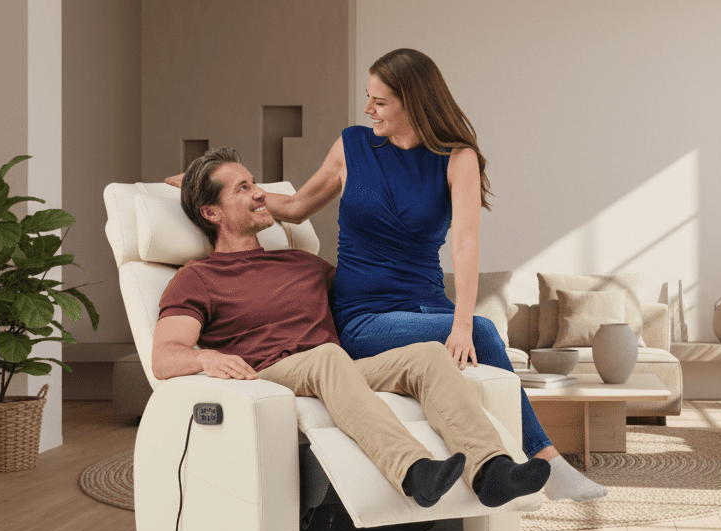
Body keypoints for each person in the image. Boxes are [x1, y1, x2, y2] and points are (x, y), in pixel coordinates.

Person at [165, 49, 606, 504]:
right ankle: (546, 462)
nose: (367, 109)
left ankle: (495, 491)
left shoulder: (457, 159)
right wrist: (218, 193)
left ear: (412, 103)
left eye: (379, 101)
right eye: (368, 97)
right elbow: (296, 208)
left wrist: (458, 324)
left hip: (427, 306)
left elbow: (465, 245)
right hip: (363, 316)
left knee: (464, 341)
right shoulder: (353, 145)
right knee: (483, 332)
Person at [153, 147, 551, 510]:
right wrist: (206, 357)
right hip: (267, 375)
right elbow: (165, 354)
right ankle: (413, 470)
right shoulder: (198, 278)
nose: (259, 192)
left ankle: (492, 470)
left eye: (255, 182)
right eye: (243, 187)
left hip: (335, 369)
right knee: (326, 357)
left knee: (429, 355)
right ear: (211, 213)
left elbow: (370, 300)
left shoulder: (303, 263)